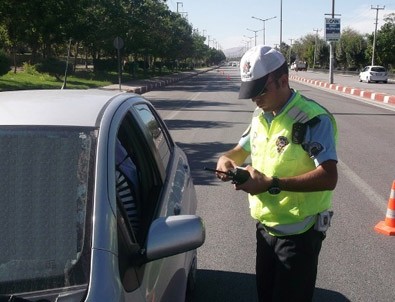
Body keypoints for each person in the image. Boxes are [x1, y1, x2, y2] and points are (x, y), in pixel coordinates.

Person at [216, 45, 338, 302]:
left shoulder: (312, 119)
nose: (254, 99)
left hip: (299, 236)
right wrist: (226, 159)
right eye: (251, 92)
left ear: (283, 80)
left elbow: (329, 177)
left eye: (260, 91)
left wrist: (272, 183)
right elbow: (241, 150)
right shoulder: (261, 115)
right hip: (265, 229)